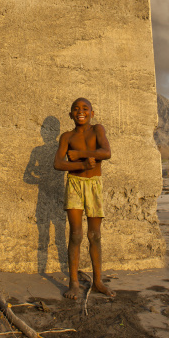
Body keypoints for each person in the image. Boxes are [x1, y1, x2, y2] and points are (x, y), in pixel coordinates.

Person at [53, 97, 115, 300]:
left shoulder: (97, 130)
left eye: (85, 108)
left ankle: (98, 281)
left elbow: (106, 152)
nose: (81, 111)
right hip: (74, 185)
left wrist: (80, 154)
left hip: (94, 185)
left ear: (92, 113)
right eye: (76, 109)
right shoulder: (66, 136)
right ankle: (73, 283)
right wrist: (81, 165)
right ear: (70, 114)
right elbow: (58, 164)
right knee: (76, 234)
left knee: (95, 235)